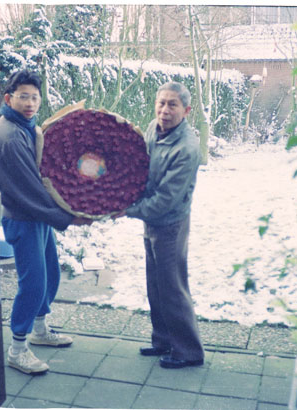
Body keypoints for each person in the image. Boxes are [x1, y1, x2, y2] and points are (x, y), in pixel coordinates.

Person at [0, 70, 91, 374]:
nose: (30, 103)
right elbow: (29, 190)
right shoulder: (9, 136)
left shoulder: (25, 126)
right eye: (23, 96)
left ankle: (39, 329)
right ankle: (17, 349)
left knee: (50, 274)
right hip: (23, 218)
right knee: (33, 284)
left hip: (37, 218)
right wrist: (68, 217)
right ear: (8, 98)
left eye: (35, 97)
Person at [116, 82, 204, 369]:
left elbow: (166, 200)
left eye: (172, 104)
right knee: (155, 284)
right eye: (161, 103)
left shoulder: (187, 148)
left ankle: (188, 351)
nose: (165, 110)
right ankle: (163, 341)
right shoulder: (154, 128)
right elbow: (140, 163)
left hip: (170, 223)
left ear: (186, 110)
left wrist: (128, 210)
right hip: (151, 219)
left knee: (172, 286)